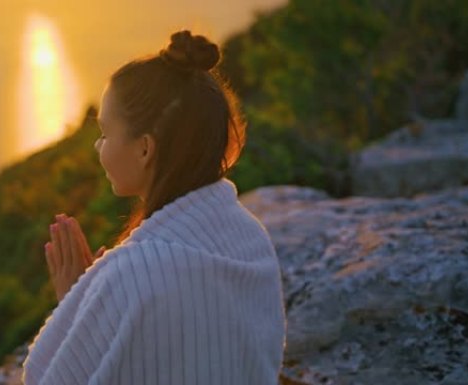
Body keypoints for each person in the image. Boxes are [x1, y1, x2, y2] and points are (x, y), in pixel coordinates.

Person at [20, 29, 286, 385]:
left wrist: (77, 307)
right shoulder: (252, 238)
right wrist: (91, 304)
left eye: (104, 133)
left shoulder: (131, 274)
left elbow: (46, 380)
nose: (98, 146)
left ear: (145, 148)